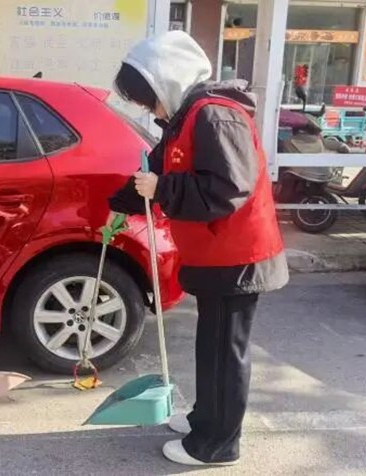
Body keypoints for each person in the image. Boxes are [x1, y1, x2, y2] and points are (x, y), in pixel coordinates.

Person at [107, 31, 289, 466]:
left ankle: (218, 445)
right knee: (212, 348)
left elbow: (228, 187)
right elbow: (153, 169)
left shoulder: (214, 115)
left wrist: (162, 189)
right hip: (214, 254)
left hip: (236, 257)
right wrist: (118, 206)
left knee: (224, 353)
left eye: (148, 98)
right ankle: (206, 420)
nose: (149, 109)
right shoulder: (187, 116)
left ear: (165, 80)